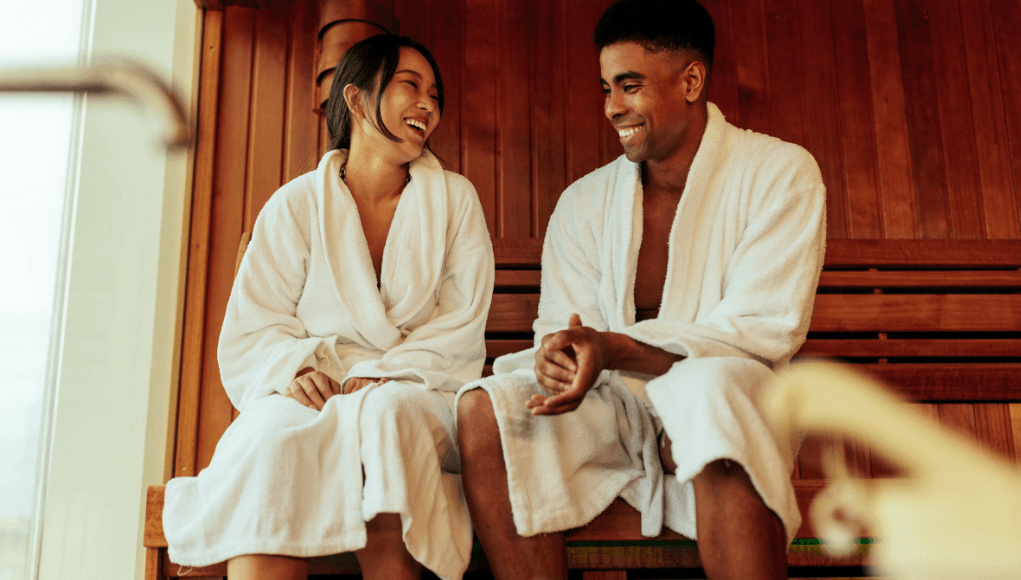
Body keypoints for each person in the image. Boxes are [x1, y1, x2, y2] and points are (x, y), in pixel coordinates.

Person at [456, 1, 826, 579]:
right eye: (606, 87)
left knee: (710, 388)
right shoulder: (583, 202)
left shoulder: (780, 173)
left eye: (630, 86)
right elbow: (561, 324)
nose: (612, 108)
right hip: (613, 407)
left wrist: (616, 348)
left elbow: (762, 331)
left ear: (691, 80)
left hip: (732, 397)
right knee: (486, 410)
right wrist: (564, 356)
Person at [162, 35, 493, 580]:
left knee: (388, 422)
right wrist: (296, 370)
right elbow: (255, 327)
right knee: (270, 440)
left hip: (417, 386)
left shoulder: (455, 200)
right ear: (358, 100)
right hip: (314, 386)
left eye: (435, 93)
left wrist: (382, 376)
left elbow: (461, 323)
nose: (428, 105)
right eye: (411, 85)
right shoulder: (296, 206)